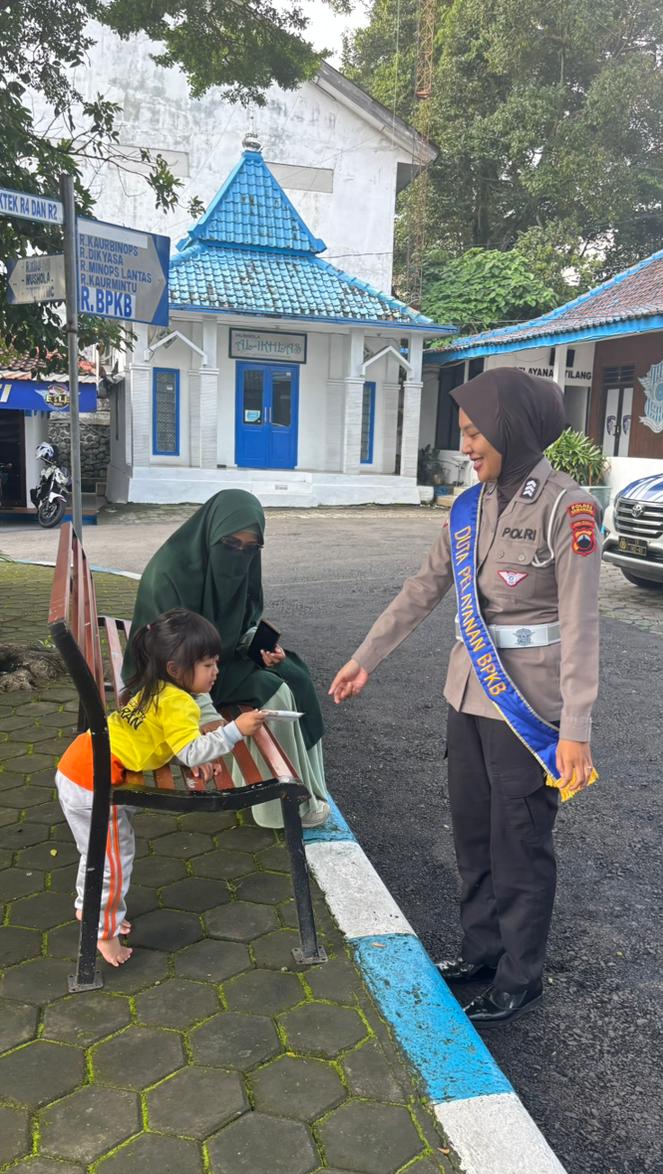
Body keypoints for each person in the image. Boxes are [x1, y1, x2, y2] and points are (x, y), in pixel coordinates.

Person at [329, 368, 601, 1025]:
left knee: (519, 844)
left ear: (512, 428)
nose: (466, 447)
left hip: (526, 706)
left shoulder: (568, 508)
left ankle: (521, 975)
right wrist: (365, 658)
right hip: (467, 696)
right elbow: (422, 588)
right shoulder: (467, 506)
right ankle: (482, 953)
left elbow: (581, 624)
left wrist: (576, 727)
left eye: (477, 433)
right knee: (474, 837)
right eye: (464, 434)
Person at [57, 608, 266, 967]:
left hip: (79, 766)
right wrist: (234, 730)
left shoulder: (156, 688)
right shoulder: (180, 703)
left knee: (98, 854)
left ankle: (92, 909)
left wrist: (194, 754)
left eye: (215, 663)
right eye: (208, 665)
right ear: (175, 669)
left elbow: (172, 742)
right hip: (95, 783)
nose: (216, 671)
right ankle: (102, 931)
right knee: (112, 861)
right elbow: (189, 749)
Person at [122, 490, 329, 829]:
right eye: (230, 544)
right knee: (274, 694)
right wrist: (205, 715)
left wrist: (257, 645)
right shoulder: (170, 576)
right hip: (167, 680)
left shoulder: (244, 566)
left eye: (251, 547)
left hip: (209, 663)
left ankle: (309, 784)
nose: (239, 554)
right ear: (211, 533)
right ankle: (281, 807)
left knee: (295, 675)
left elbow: (242, 622)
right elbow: (166, 660)